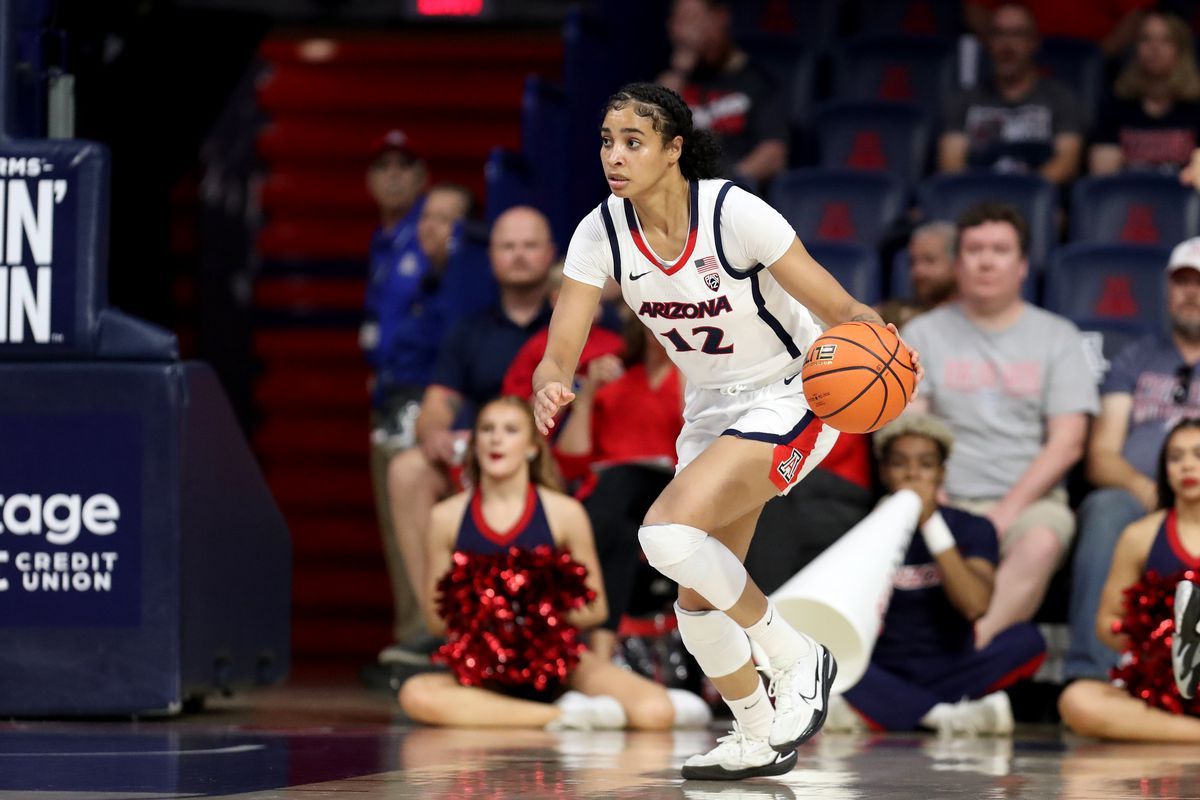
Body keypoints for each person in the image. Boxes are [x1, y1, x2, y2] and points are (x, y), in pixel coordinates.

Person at [531, 82, 921, 781]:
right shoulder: (601, 231)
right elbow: (564, 339)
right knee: (696, 595)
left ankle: (797, 655)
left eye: (632, 141)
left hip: (793, 389)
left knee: (664, 535)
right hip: (711, 406)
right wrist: (551, 377)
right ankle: (756, 732)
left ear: (674, 150)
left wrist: (885, 345)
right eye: (606, 140)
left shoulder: (733, 213)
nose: (613, 156)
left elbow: (838, 304)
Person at [397, 397, 710, 731]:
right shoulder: (447, 517)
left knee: (655, 711)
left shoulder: (563, 512)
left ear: (532, 448)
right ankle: (564, 716)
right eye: (487, 430)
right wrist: (489, 607)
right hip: (483, 667)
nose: (496, 439)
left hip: (558, 661)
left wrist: (536, 608)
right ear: (474, 444)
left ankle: (506, 713)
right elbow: (435, 621)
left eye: (510, 430)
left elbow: (596, 609)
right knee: (415, 694)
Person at [903, 202, 1099, 648]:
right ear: (957, 264)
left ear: (1023, 265)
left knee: (1043, 543)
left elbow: (1068, 443)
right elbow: (912, 432)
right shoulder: (923, 335)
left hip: (1031, 503)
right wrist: (937, 502)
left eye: (1000, 249)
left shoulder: (1059, 337)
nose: (987, 260)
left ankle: (965, 658)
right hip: (939, 495)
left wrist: (1006, 513)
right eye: (974, 249)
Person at [381, 206, 555, 663]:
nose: (518, 256)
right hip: (485, 461)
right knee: (407, 469)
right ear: (492, 257)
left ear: (551, 254)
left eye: (529, 245)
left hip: (555, 462)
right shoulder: (468, 332)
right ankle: (440, 625)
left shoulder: (575, 328)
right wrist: (436, 433)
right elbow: (437, 405)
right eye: (508, 246)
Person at [825, 414, 1045, 735]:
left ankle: (884, 711)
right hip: (882, 668)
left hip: (953, 664)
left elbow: (974, 605)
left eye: (926, 464)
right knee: (824, 657)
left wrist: (931, 524)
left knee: (1028, 641)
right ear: (885, 472)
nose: (913, 474)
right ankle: (943, 716)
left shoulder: (973, 527)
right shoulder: (860, 528)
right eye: (900, 464)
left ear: (942, 473)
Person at [1066, 236, 1200, 683]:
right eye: (1182, 282)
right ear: (1167, 289)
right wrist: (1151, 492)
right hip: (1139, 498)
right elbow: (1101, 456)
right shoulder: (1136, 358)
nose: (1191, 293)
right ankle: (1096, 675)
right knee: (1105, 507)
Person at [1058, 418, 1200, 741]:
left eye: (1198, 455)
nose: (1187, 466)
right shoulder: (1140, 536)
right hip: (1162, 686)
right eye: (1176, 458)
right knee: (1078, 700)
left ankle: (1173, 734)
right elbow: (1107, 622)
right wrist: (1160, 643)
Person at [555, 315, 685, 661]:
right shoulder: (615, 380)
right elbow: (569, 460)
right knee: (621, 531)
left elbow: (701, 444)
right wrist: (587, 394)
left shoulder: (693, 380)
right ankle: (600, 652)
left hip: (672, 491)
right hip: (614, 501)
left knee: (618, 486)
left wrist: (688, 366)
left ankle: (561, 578)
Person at [940, 3, 1086, 184]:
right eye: (999, 34)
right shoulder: (964, 100)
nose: (1007, 45)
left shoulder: (1060, 98)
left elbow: (1066, 164)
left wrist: (1022, 194)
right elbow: (951, 164)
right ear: (988, 42)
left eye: (1017, 34)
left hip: (1035, 203)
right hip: (977, 202)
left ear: (1034, 43)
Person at [657, 0, 789, 188]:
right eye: (680, 21)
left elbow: (774, 154)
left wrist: (727, 184)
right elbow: (647, 135)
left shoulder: (757, 82)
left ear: (720, 18)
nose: (686, 33)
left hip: (731, 195)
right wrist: (680, 70)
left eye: (693, 20)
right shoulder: (673, 82)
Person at [1090, 11, 1200, 176]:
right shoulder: (1116, 103)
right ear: (1136, 48)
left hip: (1184, 198)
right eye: (1146, 39)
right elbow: (1102, 175)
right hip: (1128, 198)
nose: (1154, 48)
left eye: (1166, 40)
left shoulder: (1196, 105)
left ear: (1181, 49)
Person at [965, 0, 1152, 58]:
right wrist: (1003, 42)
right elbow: (975, 9)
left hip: (1097, 63)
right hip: (1021, 61)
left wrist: (1096, 57)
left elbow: (1135, 15)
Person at [878, 221, 958, 329]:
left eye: (929, 260)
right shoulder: (894, 313)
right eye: (912, 262)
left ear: (957, 264)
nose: (917, 271)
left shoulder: (974, 316)